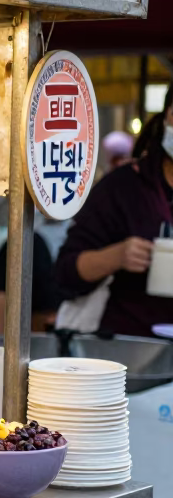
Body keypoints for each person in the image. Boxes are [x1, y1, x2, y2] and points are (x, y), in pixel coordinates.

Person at [54, 89, 173, 336]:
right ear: (166, 119)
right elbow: (66, 272)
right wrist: (117, 256)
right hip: (132, 349)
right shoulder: (123, 187)